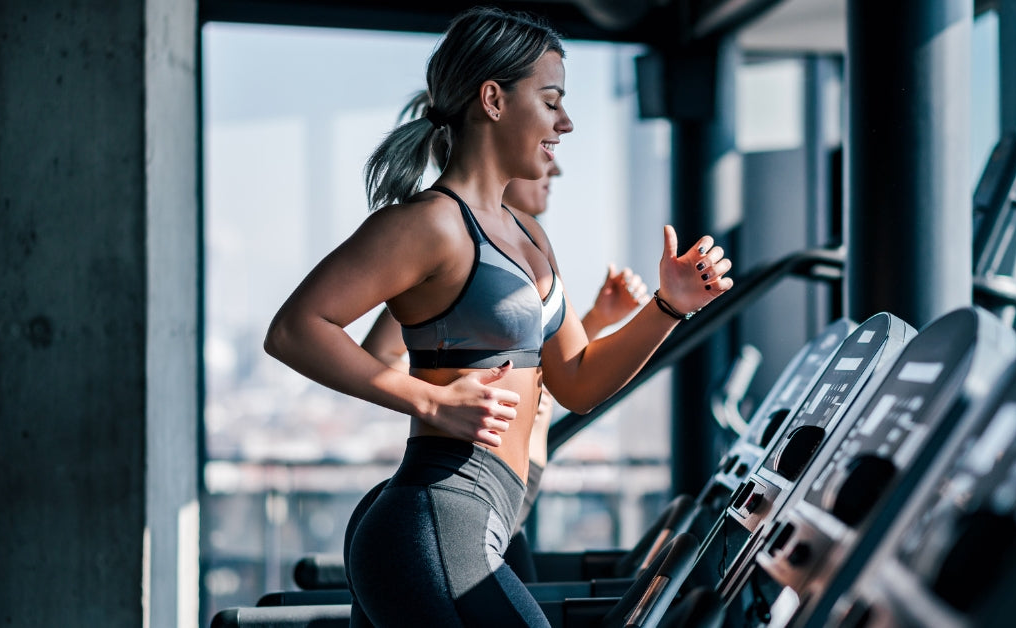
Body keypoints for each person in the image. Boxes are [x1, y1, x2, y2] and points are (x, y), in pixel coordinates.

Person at [263, 7, 733, 627]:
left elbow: (578, 382)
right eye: (551, 101)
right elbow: (296, 329)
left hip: (486, 518)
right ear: (493, 98)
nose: (566, 123)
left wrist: (668, 307)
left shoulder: (530, 236)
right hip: (436, 516)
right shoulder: (430, 224)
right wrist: (427, 402)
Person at [359, 162, 650, 583]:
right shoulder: (451, 250)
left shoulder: (526, 242)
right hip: (466, 483)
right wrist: (438, 399)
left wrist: (598, 319)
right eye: (545, 159)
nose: (557, 169)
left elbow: (539, 364)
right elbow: (385, 350)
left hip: (511, 486)